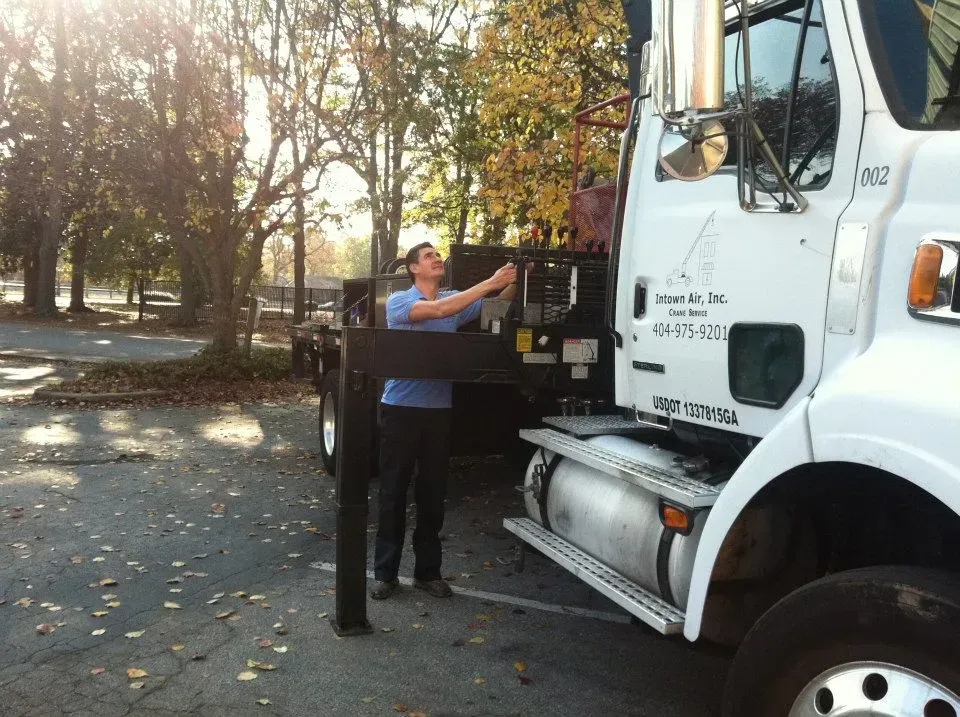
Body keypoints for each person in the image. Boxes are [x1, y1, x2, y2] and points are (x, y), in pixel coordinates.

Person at [371, 242, 520, 600]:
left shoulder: (455, 298)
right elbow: (440, 310)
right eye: (428, 257)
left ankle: (428, 573)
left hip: (438, 414)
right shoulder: (401, 301)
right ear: (412, 269)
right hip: (401, 411)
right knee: (393, 494)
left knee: (433, 495)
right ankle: (385, 574)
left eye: (438, 255)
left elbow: (497, 304)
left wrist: (516, 277)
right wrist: (490, 281)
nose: (437, 259)